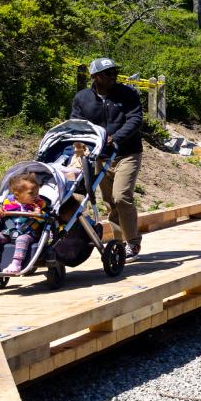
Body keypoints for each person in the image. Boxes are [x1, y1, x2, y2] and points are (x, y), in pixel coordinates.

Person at [71, 57, 145, 258]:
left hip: (127, 152)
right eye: (108, 73)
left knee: (122, 196)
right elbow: (76, 123)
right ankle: (118, 245)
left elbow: (135, 119)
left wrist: (115, 138)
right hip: (100, 156)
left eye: (115, 72)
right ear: (95, 77)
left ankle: (133, 243)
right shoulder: (82, 98)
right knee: (110, 201)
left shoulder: (127, 94)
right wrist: (81, 144)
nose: (114, 76)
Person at [0, 172, 46, 273]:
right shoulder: (9, 202)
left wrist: (38, 213)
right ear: (17, 195)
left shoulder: (38, 205)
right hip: (9, 231)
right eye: (31, 193)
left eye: (37, 192)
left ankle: (16, 264)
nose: (36, 196)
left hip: (28, 233)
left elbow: (44, 218)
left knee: (22, 239)